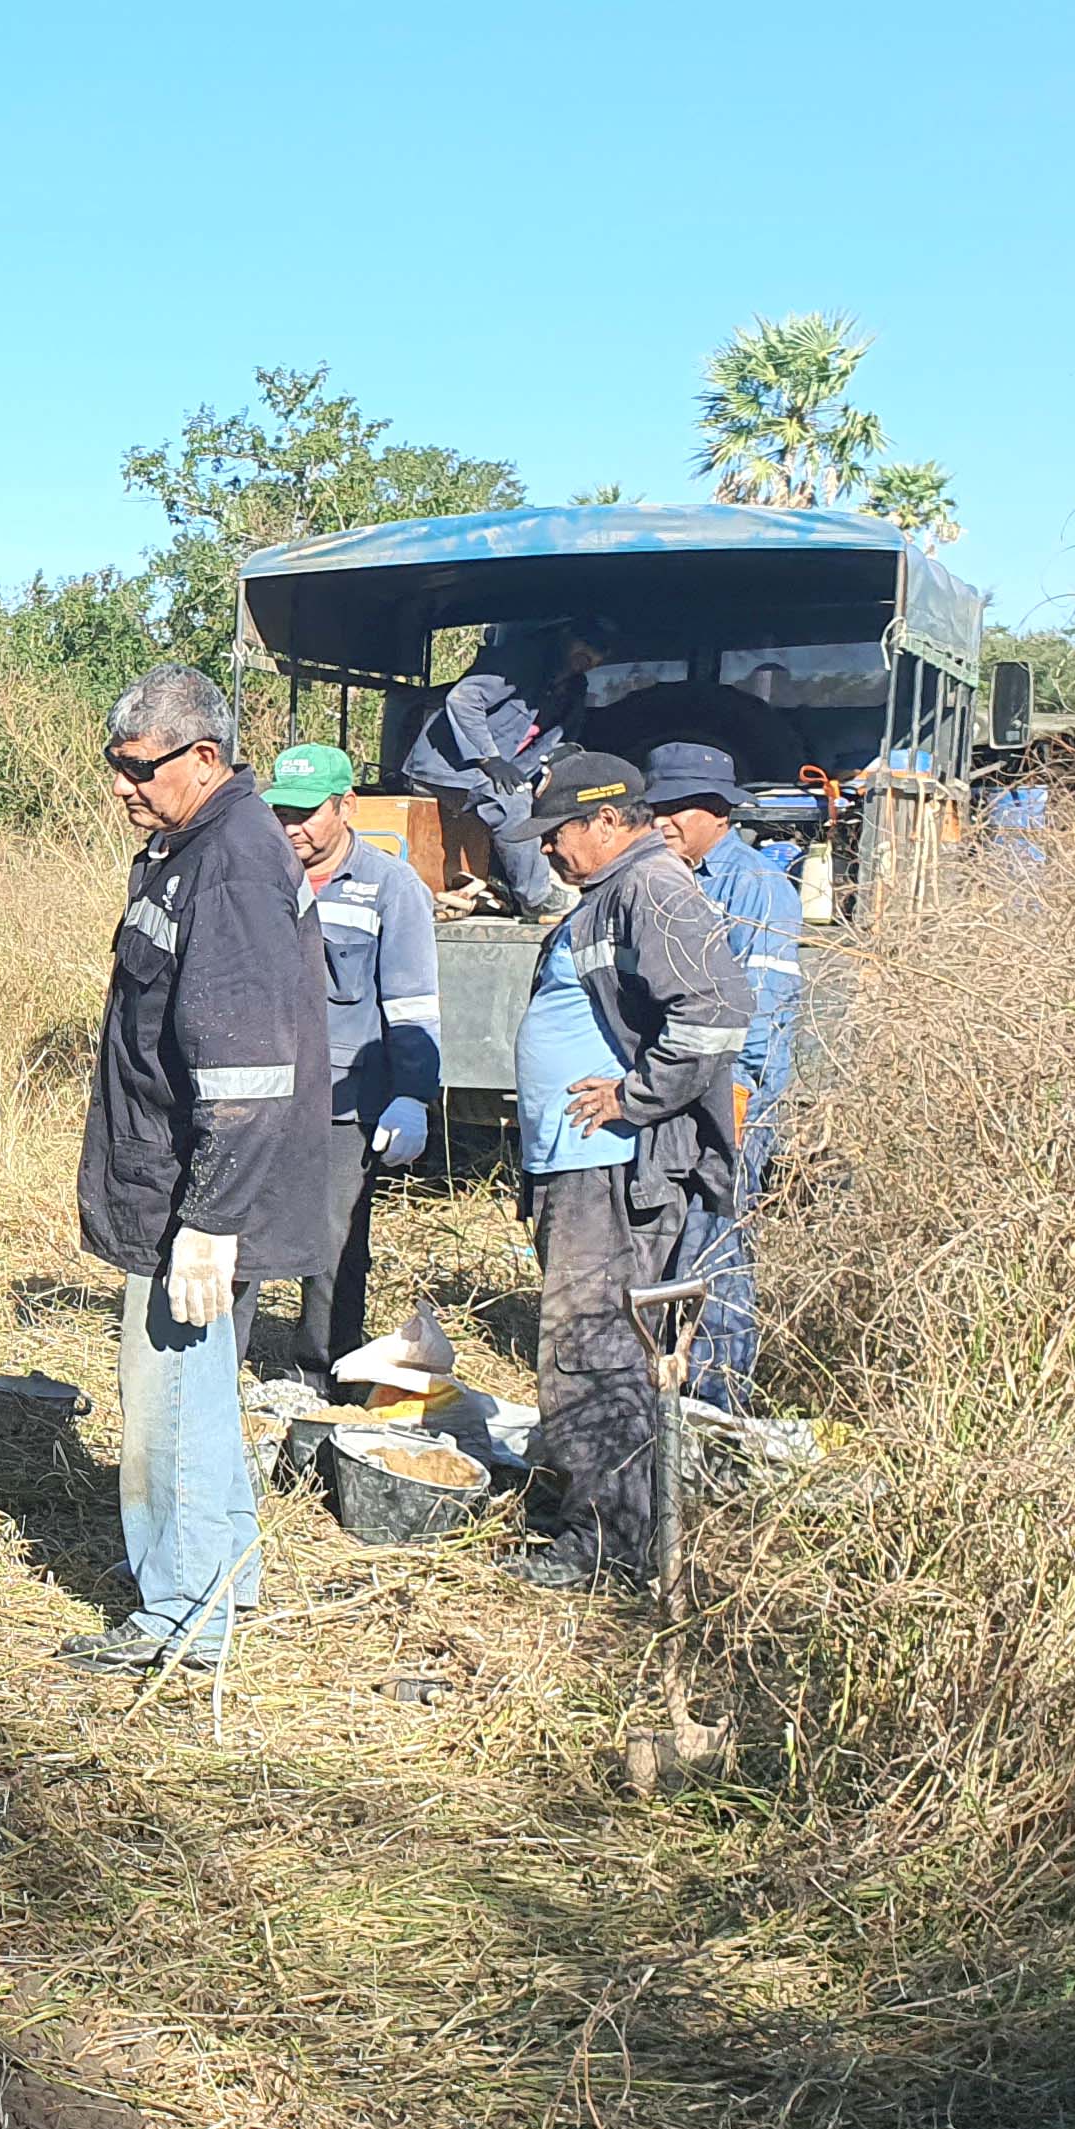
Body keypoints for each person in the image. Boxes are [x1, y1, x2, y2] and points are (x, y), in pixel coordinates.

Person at [64, 668, 335, 1671]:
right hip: (189, 1185)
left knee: (168, 1398)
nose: (124, 788)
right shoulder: (191, 849)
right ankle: (225, 1585)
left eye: (138, 769)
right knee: (205, 1392)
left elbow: (249, 1065)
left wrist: (209, 1220)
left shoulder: (230, 865)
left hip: (201, 1195)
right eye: (116, 769)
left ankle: (180, 1618)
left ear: (203, 758)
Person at [499, 752, 751, 1590]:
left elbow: (717, 1012)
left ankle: (604, 1540)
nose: (547, 853)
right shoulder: (611, 894)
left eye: (558, 833)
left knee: (591, 1347)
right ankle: (601, 1507)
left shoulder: (652, 888)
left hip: (613, 1166)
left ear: (609, 820)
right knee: (590, 1340)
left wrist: (636, 1097)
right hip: (580, 1165)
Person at [263, 742, 440, 1392]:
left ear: (347, 807)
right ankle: (217, 1373)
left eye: (308, 813)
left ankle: (321, 1377)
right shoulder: (265, 879)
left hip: (344, 1104)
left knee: (333, 1246)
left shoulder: (391, 888)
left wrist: (413, 1094)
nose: (293, 827)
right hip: (263, 1095)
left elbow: (413, 1002)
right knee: (240, 1232)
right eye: (283, 812)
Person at [643, 742, 803, 1408]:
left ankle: (719, 1398)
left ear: (718, 812)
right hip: (679, 1089)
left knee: (718, 1241)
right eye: (656, 809)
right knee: (675, 1237)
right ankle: (666, 1389)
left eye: (677, 810)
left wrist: (737, 1093)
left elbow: (767, 1001)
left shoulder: (755, 886)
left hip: (733, 1091)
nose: (662, 823)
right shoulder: (667, 877)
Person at [402, 616, 617, 916]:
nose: (591, 656)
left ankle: (548, 883)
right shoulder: (522, 659)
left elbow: (562, 741)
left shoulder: (573, 689)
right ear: (566, 635)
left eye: (601, 652)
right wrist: (489, 759)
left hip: (498, 774)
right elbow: (463, 699)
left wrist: (556, 773)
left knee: (553, 800)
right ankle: (537, 897)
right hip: (447, 771)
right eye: (587, 643)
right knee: (512, 803)